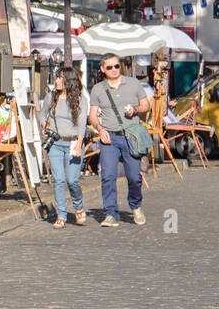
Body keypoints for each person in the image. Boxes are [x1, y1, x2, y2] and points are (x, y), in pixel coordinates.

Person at [89, 52, 150, 227]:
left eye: (117, 66)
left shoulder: (133, 83)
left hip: (130, 137)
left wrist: (136, 109)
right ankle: (110, 213)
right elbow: (92, 115)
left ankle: (135, 206)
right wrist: (100, 129)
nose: (114, 69)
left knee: (134, 177)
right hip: (109, 138)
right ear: (102, 69)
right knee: (107, 176)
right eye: (109, 67)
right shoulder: (98, 89)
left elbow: (147, 105)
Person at [41, 65, 88, 227]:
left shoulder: (81, 99)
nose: (57, 81)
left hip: (74, 142)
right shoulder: (51, 97)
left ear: (69, 81)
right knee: (59, 179)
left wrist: (79, 145)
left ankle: (78, 206)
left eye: (60, 78)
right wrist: (43, 124)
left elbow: (82, 124)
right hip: (55, 143)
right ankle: (61, 215)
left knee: (72, 179)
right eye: (56, 77)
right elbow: (42, 113)